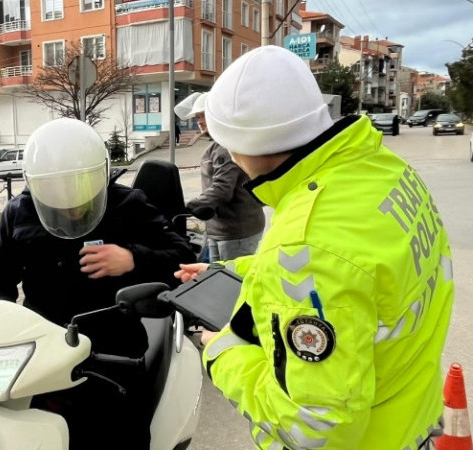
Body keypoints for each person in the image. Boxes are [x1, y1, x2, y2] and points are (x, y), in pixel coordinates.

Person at [176, 45, 453, 449]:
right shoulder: (382, 171)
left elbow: (317, 430)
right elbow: (363, 274)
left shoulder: (309, 240)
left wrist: (223, 353)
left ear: (237, 145)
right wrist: (243, 271)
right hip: (414, 418)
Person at [0, 117, 196, 450]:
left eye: (79, 187)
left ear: (100, 174)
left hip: (114, 354)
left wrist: (132, 259)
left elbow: (181, 257)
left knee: (124, 439)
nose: (71, 203)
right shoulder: (18, 213)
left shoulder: (128, 205)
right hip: (44, 356)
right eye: (56, 191)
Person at [175, 92, 265, 263]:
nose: (199, 120)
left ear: (217, 117)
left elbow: (222, 189)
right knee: (217, 277)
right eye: (197, 116)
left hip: (236, 230)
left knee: (230, 282)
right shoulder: (218, 145)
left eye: (203, 116)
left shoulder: (224, 147)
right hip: (222, 228)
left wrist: (188, 206)